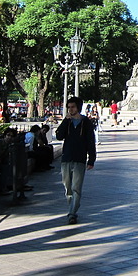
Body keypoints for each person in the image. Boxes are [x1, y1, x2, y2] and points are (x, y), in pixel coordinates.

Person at [55, 96, 96, 225]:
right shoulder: (67, 122)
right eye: (69, 107)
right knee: (67, 187)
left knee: (76, 187)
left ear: (78, 107)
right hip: (66, 158)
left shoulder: (86, 122)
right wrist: (65, 121)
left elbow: (90, 141)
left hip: (79, 159)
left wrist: (91, 159)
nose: (70, 109)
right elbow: (59, 136)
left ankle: (72, 213)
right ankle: (71, 206)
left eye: (73, 107)